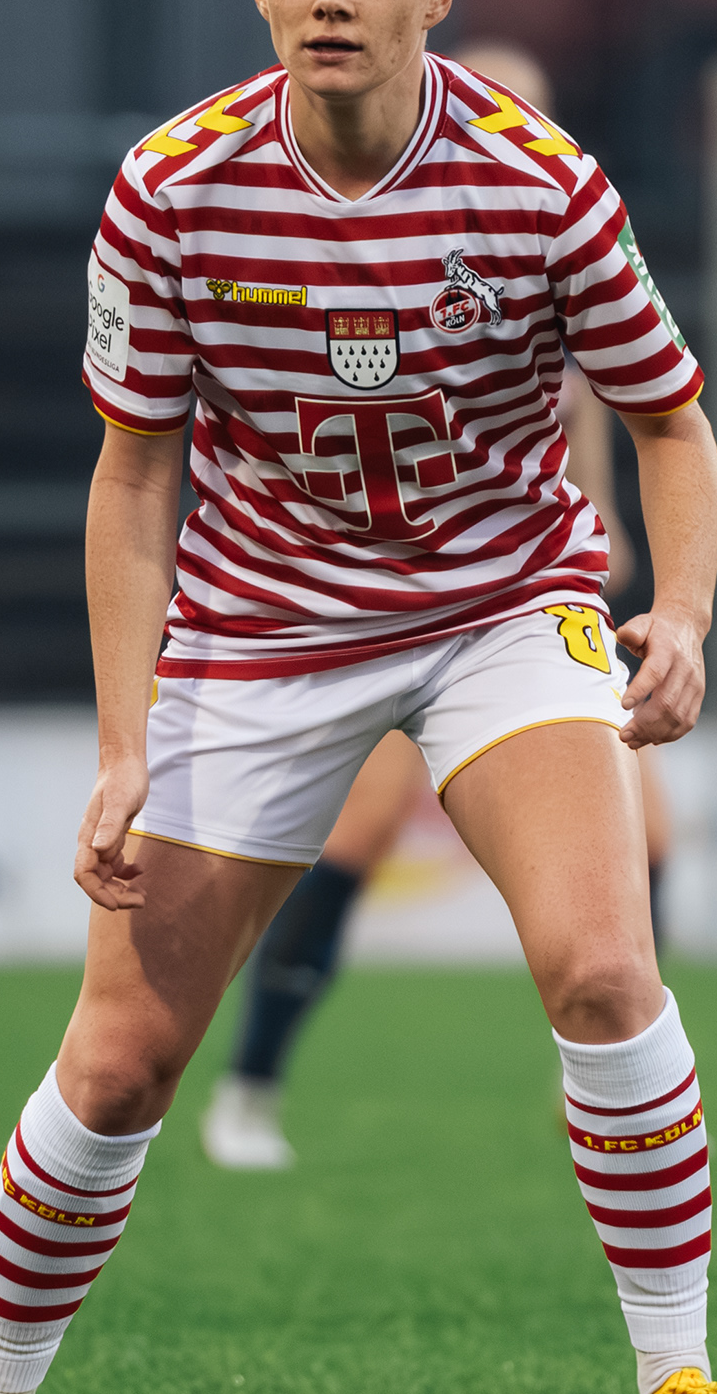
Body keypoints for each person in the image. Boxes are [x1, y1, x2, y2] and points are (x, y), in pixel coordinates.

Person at [0, 0, 717, 1394]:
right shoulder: (171, 190)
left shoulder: (543, 186)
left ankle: (682, 1391)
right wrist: (125, 740)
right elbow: (132, 475)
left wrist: (675, 614)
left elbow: (669, 421)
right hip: (262, 638)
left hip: (501, 615)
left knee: (607, 973)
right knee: (123, 1060)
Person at [202, 63, 680, 1170]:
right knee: (357, 840)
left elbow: (600, 411)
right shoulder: (383, 250)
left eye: (531, 101)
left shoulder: (547, 224)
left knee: (648, 845)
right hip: (382, 605)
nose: (507, 120)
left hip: (524, 596)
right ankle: (250, 1083)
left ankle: (622, 1079)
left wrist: (609, 537)